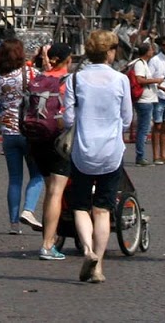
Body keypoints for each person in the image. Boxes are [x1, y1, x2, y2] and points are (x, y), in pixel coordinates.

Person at [57, 29, 130, 285]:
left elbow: (68, 119)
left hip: (83, 151)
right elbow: (127, 119)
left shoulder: (75, 79)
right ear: (110, 52)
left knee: (80, 206)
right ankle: (98, 264)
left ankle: (87, 249)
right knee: (102, 209)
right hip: (111, 151)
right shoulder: (121, 80)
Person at [0, 38, 44, 234]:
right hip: (29, 131)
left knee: (15, 178)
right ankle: (28, 210)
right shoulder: (31, 73)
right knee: (37, 174)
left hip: (8, 133)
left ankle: (13, 224)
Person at [26, 43, 73, 260]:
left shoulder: (38, 78)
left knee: (49, 190)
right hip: (58, 139)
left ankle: (50, 237)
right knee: (56, 191)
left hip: (37, 137)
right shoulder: (68, 80)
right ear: (67, 60)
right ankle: (47, 245)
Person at [127, 36, 163, 167]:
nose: (153, 51)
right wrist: (156, 80)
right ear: (146, 52)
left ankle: (141, 155)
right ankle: (140, 156)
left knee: (144, 128)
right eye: (151, 49)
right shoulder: (139, 64)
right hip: (144, 100)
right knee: (143, 128)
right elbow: (140, 80)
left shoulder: (143, 63)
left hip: (147, 99)